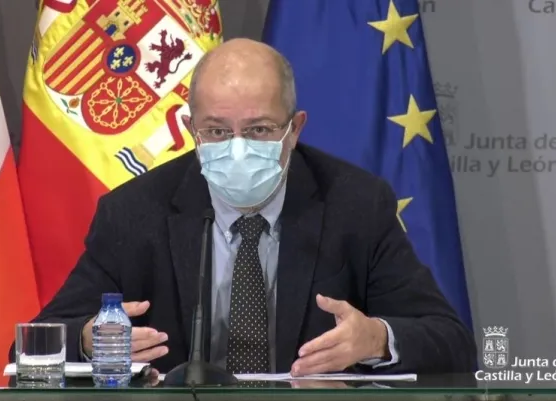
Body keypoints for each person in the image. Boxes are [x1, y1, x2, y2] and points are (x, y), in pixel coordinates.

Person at [27, 38, 477, 376]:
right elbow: (34, 346)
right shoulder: (133, 213)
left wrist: (376, 339)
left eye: (259, 130)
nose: (237, 148)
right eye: (217, 131)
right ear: (191, 130)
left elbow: (452, 342)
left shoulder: (355, 205)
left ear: (294, 129)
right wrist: (90, 341)